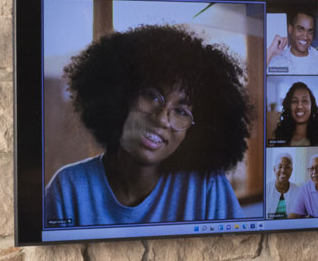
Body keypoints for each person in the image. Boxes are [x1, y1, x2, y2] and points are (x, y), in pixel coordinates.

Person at [43, 25, 249, 227]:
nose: (161, 119)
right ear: (121, 96)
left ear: (195, 129)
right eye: (151, 95)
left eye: (181, 111)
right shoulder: (68, 189)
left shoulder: (206, 186)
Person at [266, 10, 318, 74]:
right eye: (300, 29)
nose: (305, 37)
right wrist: (271, 50)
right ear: (290, 29)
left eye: (310, 31)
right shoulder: (276, 62)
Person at [269, 82, 318, 147]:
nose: (299, 106)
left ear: (312, 106)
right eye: (294, 101)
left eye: (305, 101)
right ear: (289, 106)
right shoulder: (279, 134)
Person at [270, 154, 297, 218]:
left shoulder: (298, 191)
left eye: (287, 167)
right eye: (280, 166)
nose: (283, 170)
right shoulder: (266, 189)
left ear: (291, 170)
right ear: (274, 169)